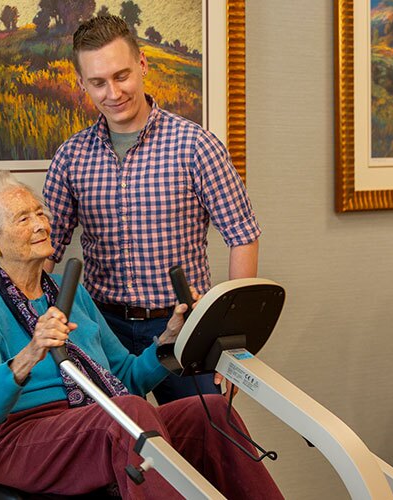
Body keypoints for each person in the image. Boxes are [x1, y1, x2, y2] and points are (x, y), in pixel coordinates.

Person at [0, 169, 282, 498]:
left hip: (96, 420)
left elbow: (126, 377)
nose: (41, 224)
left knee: (208, 411)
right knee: (127, 414)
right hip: (20, 441)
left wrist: (170, 339)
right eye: (23, 218)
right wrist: (31, 353)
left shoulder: (70, 292)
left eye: (40, 212)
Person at [43, 15, 261, 405]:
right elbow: (44, 253)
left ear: (142, 64)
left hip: (181, 325)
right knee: (118, 454)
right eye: (98, 82)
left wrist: (229, 340)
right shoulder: (71, 157)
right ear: (82, 85)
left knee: (204, 443)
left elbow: (242, 236)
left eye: (122, 75)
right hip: (102, 330)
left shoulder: (195, 145)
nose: (113, 92)